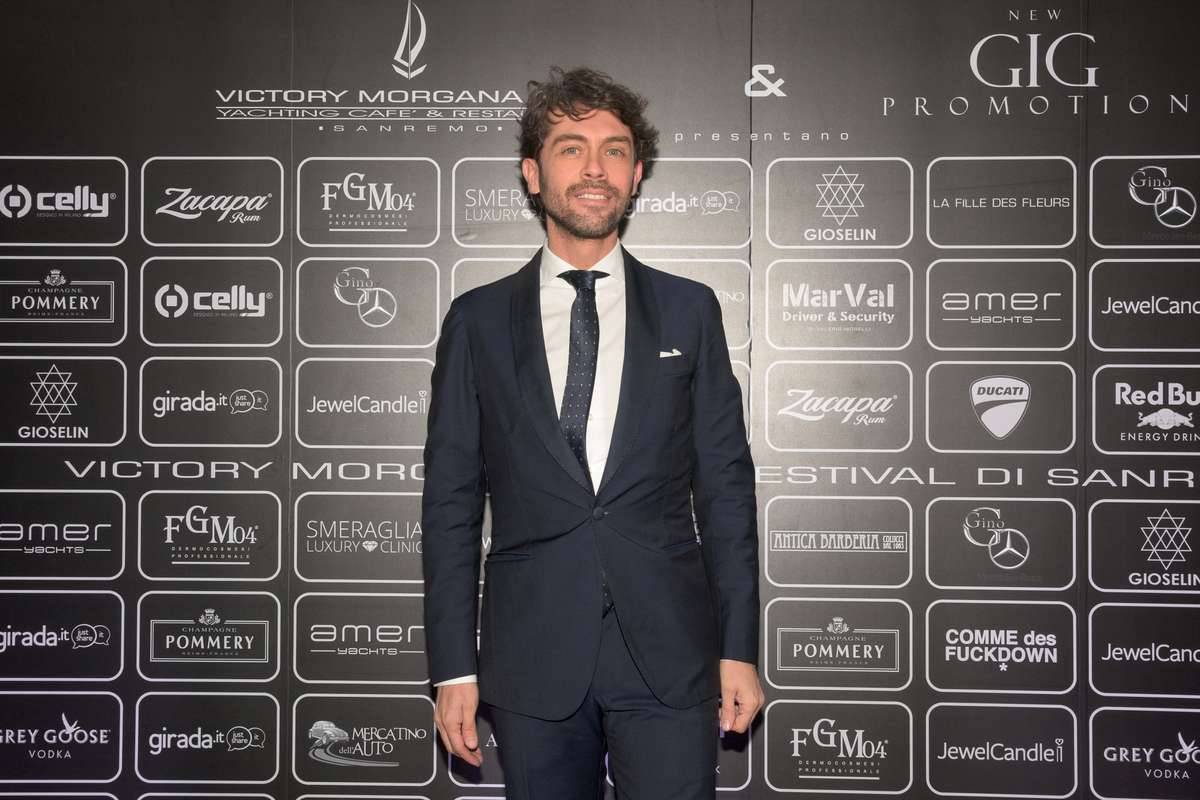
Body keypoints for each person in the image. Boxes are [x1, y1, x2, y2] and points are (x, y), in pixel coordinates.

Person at [421, 65, 761, 799]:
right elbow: (449, 504)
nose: (594, 168)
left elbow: (726, 491)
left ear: (635, 176)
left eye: (614, 151)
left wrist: (738, 648)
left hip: (670, 653)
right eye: (571, 148)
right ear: (532, 174)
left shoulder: (690, 310)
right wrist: (452, 667)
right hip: (531, 656)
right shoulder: (478, 321)